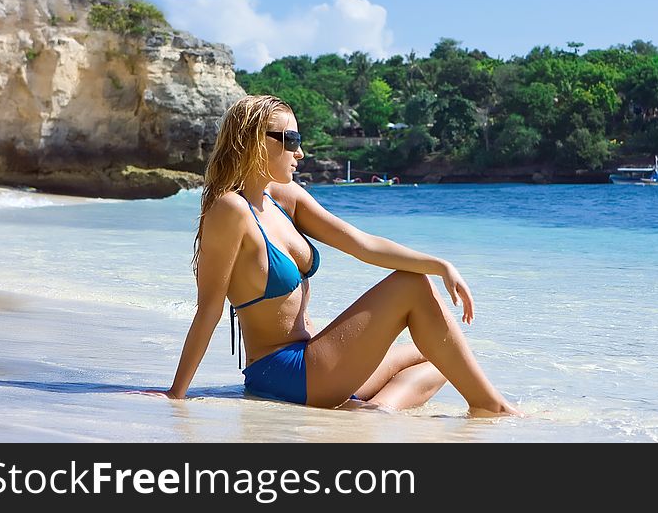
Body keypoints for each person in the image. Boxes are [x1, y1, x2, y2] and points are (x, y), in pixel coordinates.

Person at [156, 94, 520, 416]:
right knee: (411, 286)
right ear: (255, 141)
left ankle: (375, 411)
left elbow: (362, 244)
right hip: (283, 371)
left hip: (314, 360)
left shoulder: (284, 198)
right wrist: (177, 394)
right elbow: (209, 308)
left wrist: (441, 265)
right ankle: (492, 406)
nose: (300, 153)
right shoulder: (229, 210)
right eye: (291, 140)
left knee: (441, 355)